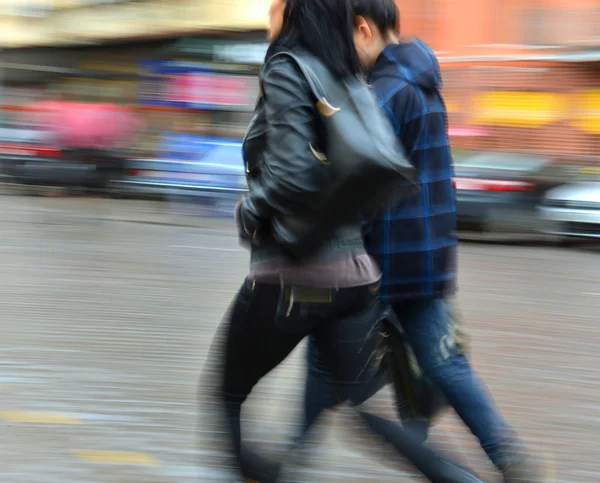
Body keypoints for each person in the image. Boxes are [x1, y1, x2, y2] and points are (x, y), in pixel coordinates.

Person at [202, 0, 491, 481]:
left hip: (290, 278)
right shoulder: (347, 73)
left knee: (226, 396)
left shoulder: (286, 66)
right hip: (354, 281)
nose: (268, 11)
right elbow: (374, 173)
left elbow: (293, 176)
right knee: (369, 411)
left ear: (297, 12)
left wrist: (249, 213)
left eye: (276, 4)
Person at [304, 1, 551, 481]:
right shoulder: (422, 82)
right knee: (444, 366)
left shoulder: (385, 92)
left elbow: (355, 182)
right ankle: (506, 458)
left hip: (383, 259)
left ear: (362, 30)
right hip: (426, 256)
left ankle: (282, 461)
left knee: (325, 368)